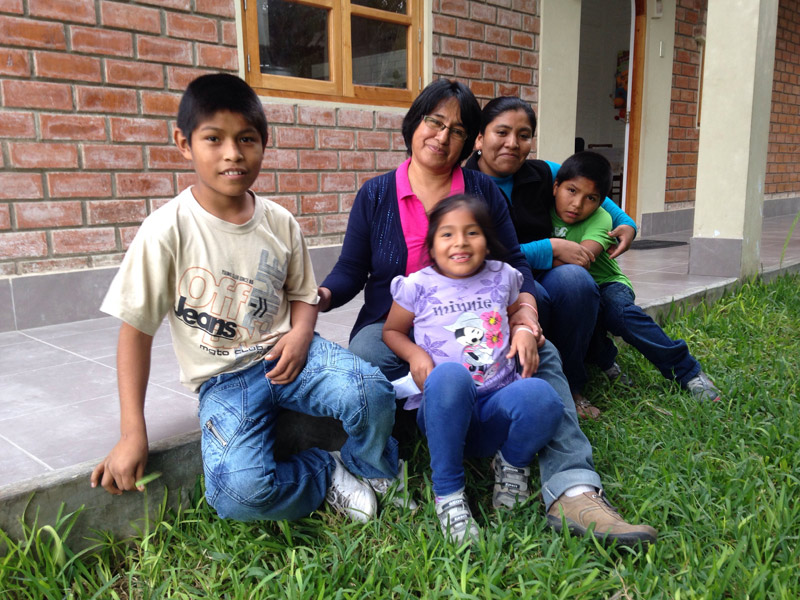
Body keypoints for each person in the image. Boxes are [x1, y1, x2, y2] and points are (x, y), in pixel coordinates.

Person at [319, 79, 657, 547]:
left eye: (457, 130)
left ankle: (572, 486)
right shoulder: (377, 195)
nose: (442, 136)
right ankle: (376, 462)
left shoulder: (479, 188)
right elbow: (351, 269)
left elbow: (514, 263)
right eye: (434, 122)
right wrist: (318, 296)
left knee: (545, 355)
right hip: (398, 324)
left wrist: (525, 321)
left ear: (468, 140)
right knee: (364, 357)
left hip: (480, 319)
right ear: (414, 122)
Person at [90, 73, 412, 525]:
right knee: (236, 494)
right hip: (224, 381)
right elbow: (135, 333)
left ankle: (372, 466)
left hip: (291, 356)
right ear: (184, 143)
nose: (232, 153)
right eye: (213, 138)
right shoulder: (166, 231)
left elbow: (304, 296)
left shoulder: (279, 223)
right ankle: (325, 472)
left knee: (371, 389)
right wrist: (132, 433)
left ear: (264, 141)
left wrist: (301, 335)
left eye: (246, 139)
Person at [383, 194, 564, 543]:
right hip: (443, 413)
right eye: (447, 235)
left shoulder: (504, 276)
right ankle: (448, 494)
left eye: (472, 232)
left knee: (543, 396)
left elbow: (515, 312)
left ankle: (511, 466)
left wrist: (525, 328)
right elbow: (391, 331)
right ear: (432, 245)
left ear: (489, 240)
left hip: (497, 405)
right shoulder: (417, 286)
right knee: (450, 376)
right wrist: (415, 355)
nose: (460, 242)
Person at [464, 96, 638, 419]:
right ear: (479, 138)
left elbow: (590, 188)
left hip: (548, 272)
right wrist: (551, 248)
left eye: (524, 135)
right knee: (538, 299)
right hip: (498, 281)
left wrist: (626, 223)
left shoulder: (542, 173)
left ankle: (572, 384)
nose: (512, 144)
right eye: (501, 133)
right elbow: (480, 255)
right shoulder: (464, 186)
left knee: (577, 281)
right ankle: (528, 384)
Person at [550, 151, 721, 402]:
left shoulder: (601, 218)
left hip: (609, 284)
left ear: (601, 203)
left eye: (590, 198)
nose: (577, 204)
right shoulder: (540, 210)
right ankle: (606, 361)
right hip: (576, 291)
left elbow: (581, 259)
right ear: (555, 187)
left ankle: (687, 371)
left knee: (618, 314)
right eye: (572, 191)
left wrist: (534, 255)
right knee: (583, 314)